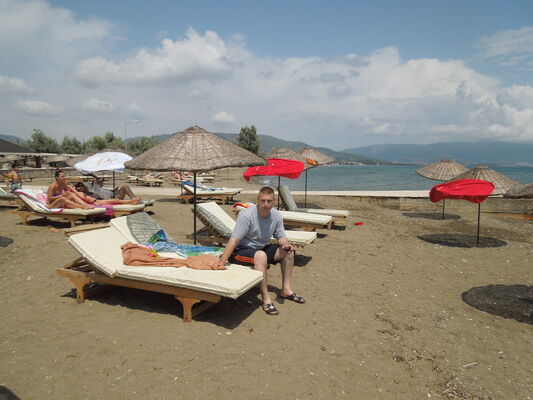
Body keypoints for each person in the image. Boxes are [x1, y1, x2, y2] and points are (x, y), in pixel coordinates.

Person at [213, 186, 305, 315]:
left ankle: (286, 290)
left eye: (269, 201)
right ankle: (266, 299)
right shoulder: (246, 215)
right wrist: (222, 261)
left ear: (274, 201)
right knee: (261, 256)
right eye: (263, 201)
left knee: (288, 253)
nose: (266, 204)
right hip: (240, 251)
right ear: (258, 200)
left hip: (260, 248)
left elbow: (281, 236)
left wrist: (285, 245)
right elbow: (234, 240)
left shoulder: (276, 216)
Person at [47, 170, 140, 209]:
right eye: (63, 176)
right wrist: (62, 195)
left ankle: (131, 201)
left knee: (114, 200)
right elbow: (49, 199)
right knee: (66, 197)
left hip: (87, 200)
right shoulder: (53, 186)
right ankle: (84, 207)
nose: (65, 178)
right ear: (57, 177)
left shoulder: (65, 185)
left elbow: (75, 193)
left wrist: (83, 195)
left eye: (65, 176)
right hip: (53, 204)